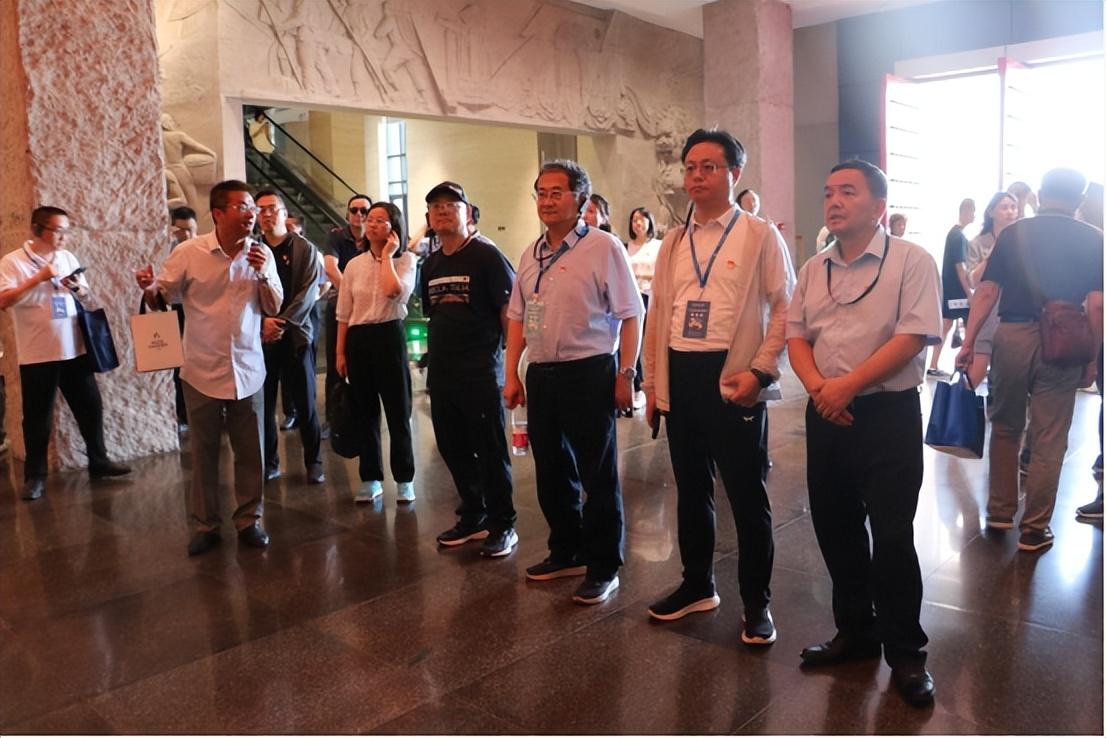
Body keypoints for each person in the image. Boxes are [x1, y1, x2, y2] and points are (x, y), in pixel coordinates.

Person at [787, 160, 942, 707]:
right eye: (829, 192)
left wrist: (847, 386)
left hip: (886, 413)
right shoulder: (814, 268)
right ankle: (855, 631)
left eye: (848, 192)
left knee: (893, 536)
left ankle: (907, 653)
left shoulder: (912, 260)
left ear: (878, 206)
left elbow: (913, 336)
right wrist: (819, 389)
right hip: (825, 410)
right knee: (836, 528)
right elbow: (796, 335)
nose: (834, 201)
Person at [642, 129, 795, 645]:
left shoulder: (758, 234)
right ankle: (697, 585)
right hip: (681, 374)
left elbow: (786, 308)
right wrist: (653, 385)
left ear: (734, 173)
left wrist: (762, 371)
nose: (697, 176)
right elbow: (658, 316)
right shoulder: (674, 241)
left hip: (734, 376)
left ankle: (756, 603)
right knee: (691, 490)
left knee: (747, 496)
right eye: (690, 167)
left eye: (709, 167)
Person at [503, 160, 644, 605]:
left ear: (580, 199)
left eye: (556, 192)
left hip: (589, 369)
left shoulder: (602, 247)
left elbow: (631, 313)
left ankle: (604, 564)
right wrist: (511, 374)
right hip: (542, 372)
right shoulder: (531, 253)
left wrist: (626, 373)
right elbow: (516, 317)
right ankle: (566, 550)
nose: (546, 201)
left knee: (596, 473)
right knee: (551, 469)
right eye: (541, 193)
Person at [956, 168, 1103, 551]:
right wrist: (1093, 355)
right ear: (1079, 200)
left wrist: (969, 341)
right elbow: (1097, 305)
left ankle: (1000, 512)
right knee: (1050, 437)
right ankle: (1035, 529)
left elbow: (987, 291)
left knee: (1006, 427)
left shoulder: (1013, 234)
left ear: (1039, 194)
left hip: (1012, 336)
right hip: (1064, 338)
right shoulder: (1094, 238)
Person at [135, 180, 281, 554]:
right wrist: (149, 288)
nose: (252, 214)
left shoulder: (261, 253)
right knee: (203, 453)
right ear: (218, 213)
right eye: (243, 206)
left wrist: (264, 273)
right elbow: (162, 298)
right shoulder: (189, 252)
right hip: (201, 368)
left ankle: (249, 520)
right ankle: (205, 526)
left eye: (253, 207)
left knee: (251, 452)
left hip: (248, 368)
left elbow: (274, 305)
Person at [0, 206, 132, 500]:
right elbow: (4, 300)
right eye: (58, 231)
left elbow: (86, 295)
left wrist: (77, 289)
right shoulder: (13, 261)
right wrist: (38, 278)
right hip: (38, 353)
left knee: (91, 407)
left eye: (67, 231)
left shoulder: (67, 257)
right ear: (37, 230)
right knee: (38, 418)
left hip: (74, 348)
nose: (64, 237)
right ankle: (35, 477)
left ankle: (99, 461)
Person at [419, 182, 518, 556]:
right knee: (452, 446)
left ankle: (503, 523)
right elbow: (436, 315)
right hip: (443, 372)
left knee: (489, 449)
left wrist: (510, 368)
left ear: (468, 213)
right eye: (436, 206)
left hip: (480, 370)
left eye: (451, 205)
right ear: (429, 218)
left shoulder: (486, 256)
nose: (443, 211)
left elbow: (508, 313)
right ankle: (474, 514)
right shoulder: (431, 263)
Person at [335, 201, 418, 503]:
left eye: (381, 220)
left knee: (398, 411)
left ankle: (405, 479)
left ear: (394, 227)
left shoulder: (406, 259)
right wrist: (340, 353)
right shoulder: (353, 265)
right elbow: (344, 313)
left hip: (389, 335)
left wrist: (387, 256)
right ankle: (370, 478)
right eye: (370, 219)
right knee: (364, 412)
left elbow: (394, 292)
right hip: (358, 339)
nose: (372, 224)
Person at [255, 190, 324, 485]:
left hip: (296, 335)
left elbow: (308, 293)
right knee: (264, 404)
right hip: (262, 337)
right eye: (260, 210)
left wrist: (281, 323)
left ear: (284, 213)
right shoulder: (253, 249)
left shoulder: (304, 249)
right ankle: (270, 462)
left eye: (272, 208)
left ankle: (314, 462)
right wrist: (263, 324)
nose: (266, 214)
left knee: (305, 403)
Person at [962, 192, 1019, 388]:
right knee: (975, 371)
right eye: (1004, 207)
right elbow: (973, 280)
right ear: (991, 212)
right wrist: (996, 250)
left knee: (1007, 377)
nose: (1010, 212)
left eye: (1013, 207)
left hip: (1013, 314)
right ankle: (963, 403)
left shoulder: (1024, 243)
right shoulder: (978, 243)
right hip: (986, 313)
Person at [323, 194, 373, 408]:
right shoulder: (336, 236)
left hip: (368, 310)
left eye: (364, 210)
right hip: (340, 306)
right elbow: (330, 268)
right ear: (347, 214)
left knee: (365, 363)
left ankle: (362, 409)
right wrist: (352, 295)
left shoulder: (374, 238)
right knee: (336, 363)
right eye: (354, 210)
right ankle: (334, 415)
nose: (358, 214)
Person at [927, 198, 975, 378]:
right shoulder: (958, 236)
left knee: (948, 325)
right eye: (973, 211)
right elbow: (960, 266)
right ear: (967, 211)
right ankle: (965, 365)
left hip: (952, 289)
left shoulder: (955, 234)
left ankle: (936, 365)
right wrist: (969, 292)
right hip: (957, 291)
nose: (974, 215)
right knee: (967, 326)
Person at [625, 206, 662, 407]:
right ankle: (637, 386)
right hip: (633, 298)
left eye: (641, 219)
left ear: (649, 222)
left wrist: (643, 276)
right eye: (634, 220)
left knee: (650, 343)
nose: (638, 223)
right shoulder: (626, 247)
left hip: (652, 298)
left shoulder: (658, 246)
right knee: (634, 343)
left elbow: (662, 273)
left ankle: (653, 385)